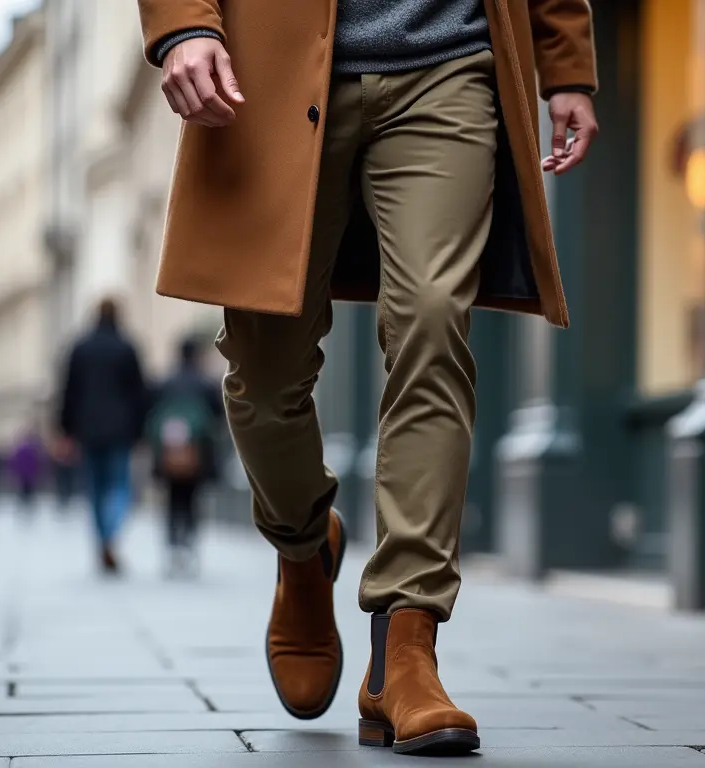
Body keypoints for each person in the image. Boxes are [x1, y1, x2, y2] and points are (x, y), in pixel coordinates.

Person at [138, 0, 598, 755]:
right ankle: (303, 546)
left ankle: (405, 649)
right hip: (268, 67)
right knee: (263, 370)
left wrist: (566, 61)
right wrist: (184, 23)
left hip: (450, 62)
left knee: (432, 326)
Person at [57, 298, 148, 575]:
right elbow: (139, 394)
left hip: (88, 429)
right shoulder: (127, 347)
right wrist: (139, 431)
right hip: (120, 430)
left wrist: (65, 430)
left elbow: (69, 391)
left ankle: (102, 538)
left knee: (95, 488)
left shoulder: (80, 347)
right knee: (119, 486)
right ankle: (110, 534)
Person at [146, 337, 223, 577]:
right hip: (197, 454)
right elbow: (218, 415)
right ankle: (189, 541)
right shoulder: (205, 383)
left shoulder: (164, 382)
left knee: (171, 498)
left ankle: (172, 543)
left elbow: (151, 413)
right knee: (192, 498)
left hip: (168, 455)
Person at [7, 424, 46, 516]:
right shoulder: (34, 449)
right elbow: (37, 463)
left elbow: (14, 461)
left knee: (24, 492)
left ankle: (24, 508)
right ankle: (28, 508)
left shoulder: (21, 449)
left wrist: (13, 472)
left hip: (23, 475)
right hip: (29, 475)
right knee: (29, 492)